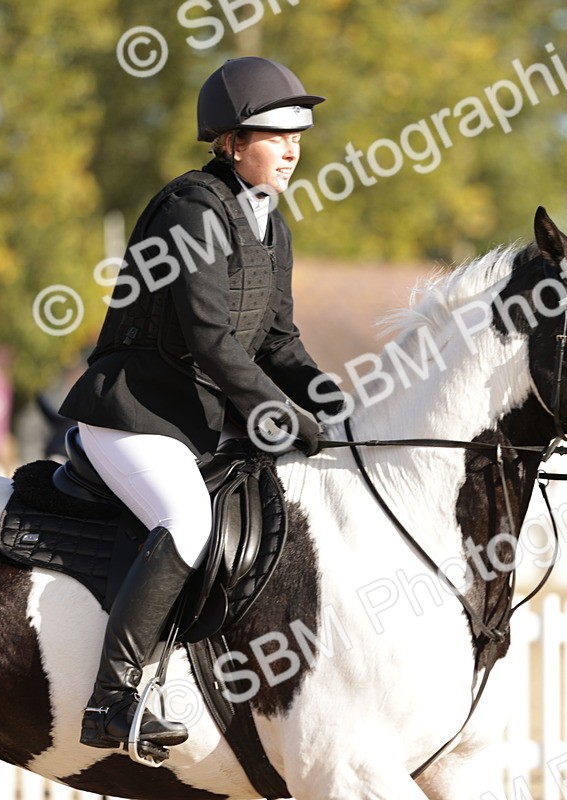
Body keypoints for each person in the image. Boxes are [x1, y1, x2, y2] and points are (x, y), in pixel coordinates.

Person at [59, 56, 344, 753]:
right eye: (277, 136)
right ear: (231, 143)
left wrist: (328, 398)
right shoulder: (190, 210)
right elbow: (211, 340)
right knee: (186, 520)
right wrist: (276, 415)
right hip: (132, 415)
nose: (293, 149)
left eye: (296, 136)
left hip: (197, 425)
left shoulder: (272, 226)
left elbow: (279, 339)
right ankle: (113, 699)